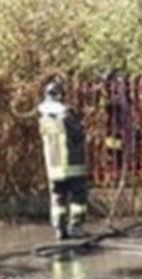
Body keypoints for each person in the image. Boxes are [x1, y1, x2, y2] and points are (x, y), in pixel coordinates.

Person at [38, 80, 89, 240]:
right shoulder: (66, 114)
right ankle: (75, 227)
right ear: (60, 95)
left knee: (57, 197)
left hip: (53, 165)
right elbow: (79, 134)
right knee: (77, 197)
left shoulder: (43, 117)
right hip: (72, 163)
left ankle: (59, 229)